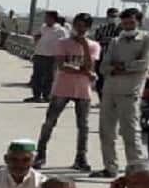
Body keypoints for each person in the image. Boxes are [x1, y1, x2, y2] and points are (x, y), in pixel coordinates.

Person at [32, 13, 99, 173]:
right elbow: (62, 66)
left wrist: (84, 47)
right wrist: (84, 71)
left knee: (83, 126)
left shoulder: (93, 45)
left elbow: (91, 66)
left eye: (83, 26)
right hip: (62, 87)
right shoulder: (63, 43)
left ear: (88, 28)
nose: (79, 29)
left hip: (83, 90)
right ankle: (40, 154)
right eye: (77, 25)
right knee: (50, 122)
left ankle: (81, 158)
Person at [94, 8, 149, 178]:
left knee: (130, 133)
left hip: (130, 92)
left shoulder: (147, 40)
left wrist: (121, 67)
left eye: (131, 23)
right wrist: (123, 67)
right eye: (125, 23)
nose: (127, 26)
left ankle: (137, 171)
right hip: (109, 90)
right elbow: (104, 67)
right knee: (106, 132)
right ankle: (110, 167)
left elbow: (143, 64)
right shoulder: (115, 41)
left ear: (139, 22)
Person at [26, 10, 68, 103]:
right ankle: (36, 96)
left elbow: (64, 44)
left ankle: (47, 96)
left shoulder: (60, 30)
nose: (46, 19)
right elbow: (37, 37)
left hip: (52, 56)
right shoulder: (43, 28)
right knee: (37, 76)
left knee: (49, 77)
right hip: (39, 54)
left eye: (47, 18)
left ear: (53, 19)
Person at [92, 8, 122, 93]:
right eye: (111, 16)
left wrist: (106, 39)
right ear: (107, 16)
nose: (113, 18)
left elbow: (120, 40)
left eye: (115, 16)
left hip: (115, 58)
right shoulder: (101, 28)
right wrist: (111, 40)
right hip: (102, 56)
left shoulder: (121, 29)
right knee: (100, 80)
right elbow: (97, 40)